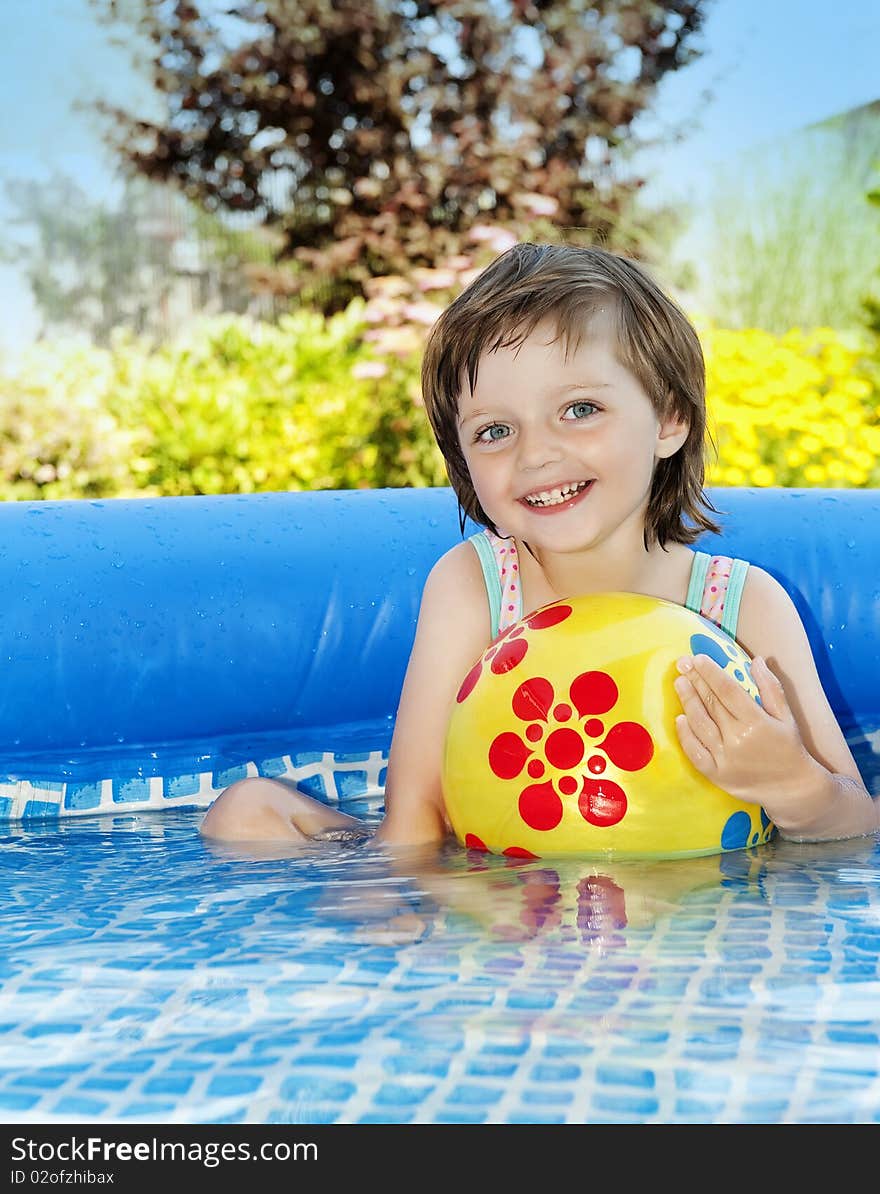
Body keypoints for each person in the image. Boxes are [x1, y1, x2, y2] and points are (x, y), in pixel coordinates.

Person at [200, 242, 877, 850]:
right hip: (499, 882)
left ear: (669, 418)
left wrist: (792, 785)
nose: (538, 454)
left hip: (686, 903)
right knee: (244, 812)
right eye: (495, 430)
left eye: (580, 409)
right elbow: (417, 818)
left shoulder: (741, 607)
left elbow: (855, 825)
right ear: (462, 460)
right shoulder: (475, 586)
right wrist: (401, 932)